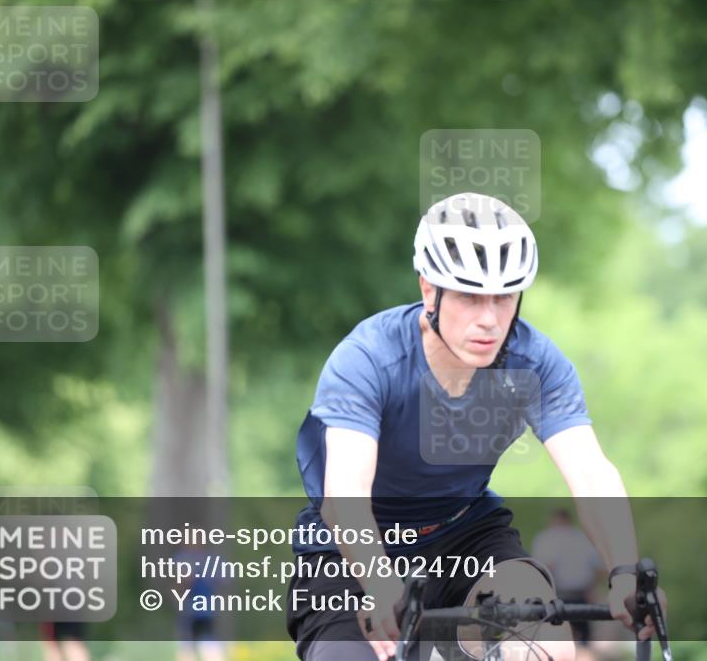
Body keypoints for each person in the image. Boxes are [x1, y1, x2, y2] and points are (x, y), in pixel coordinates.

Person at [285, 193, 665, 661]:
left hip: (466, 533)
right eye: (468, 296)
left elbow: (590, 472)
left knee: (543, 640)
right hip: (353, 549)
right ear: (429, 290)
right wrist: (382, 583)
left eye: (504, 296)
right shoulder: (368, 358)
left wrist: (624, 572)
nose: (489, 319)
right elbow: (345, 500)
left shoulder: (535, 363)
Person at [532, 509, 606, 660]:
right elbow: (598, 568)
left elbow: (543, 569)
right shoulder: (582, 539)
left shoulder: (546, 539)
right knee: (583, 642)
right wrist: (592, 588)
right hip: (580, 596)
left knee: (559, 643)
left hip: (557, 597)